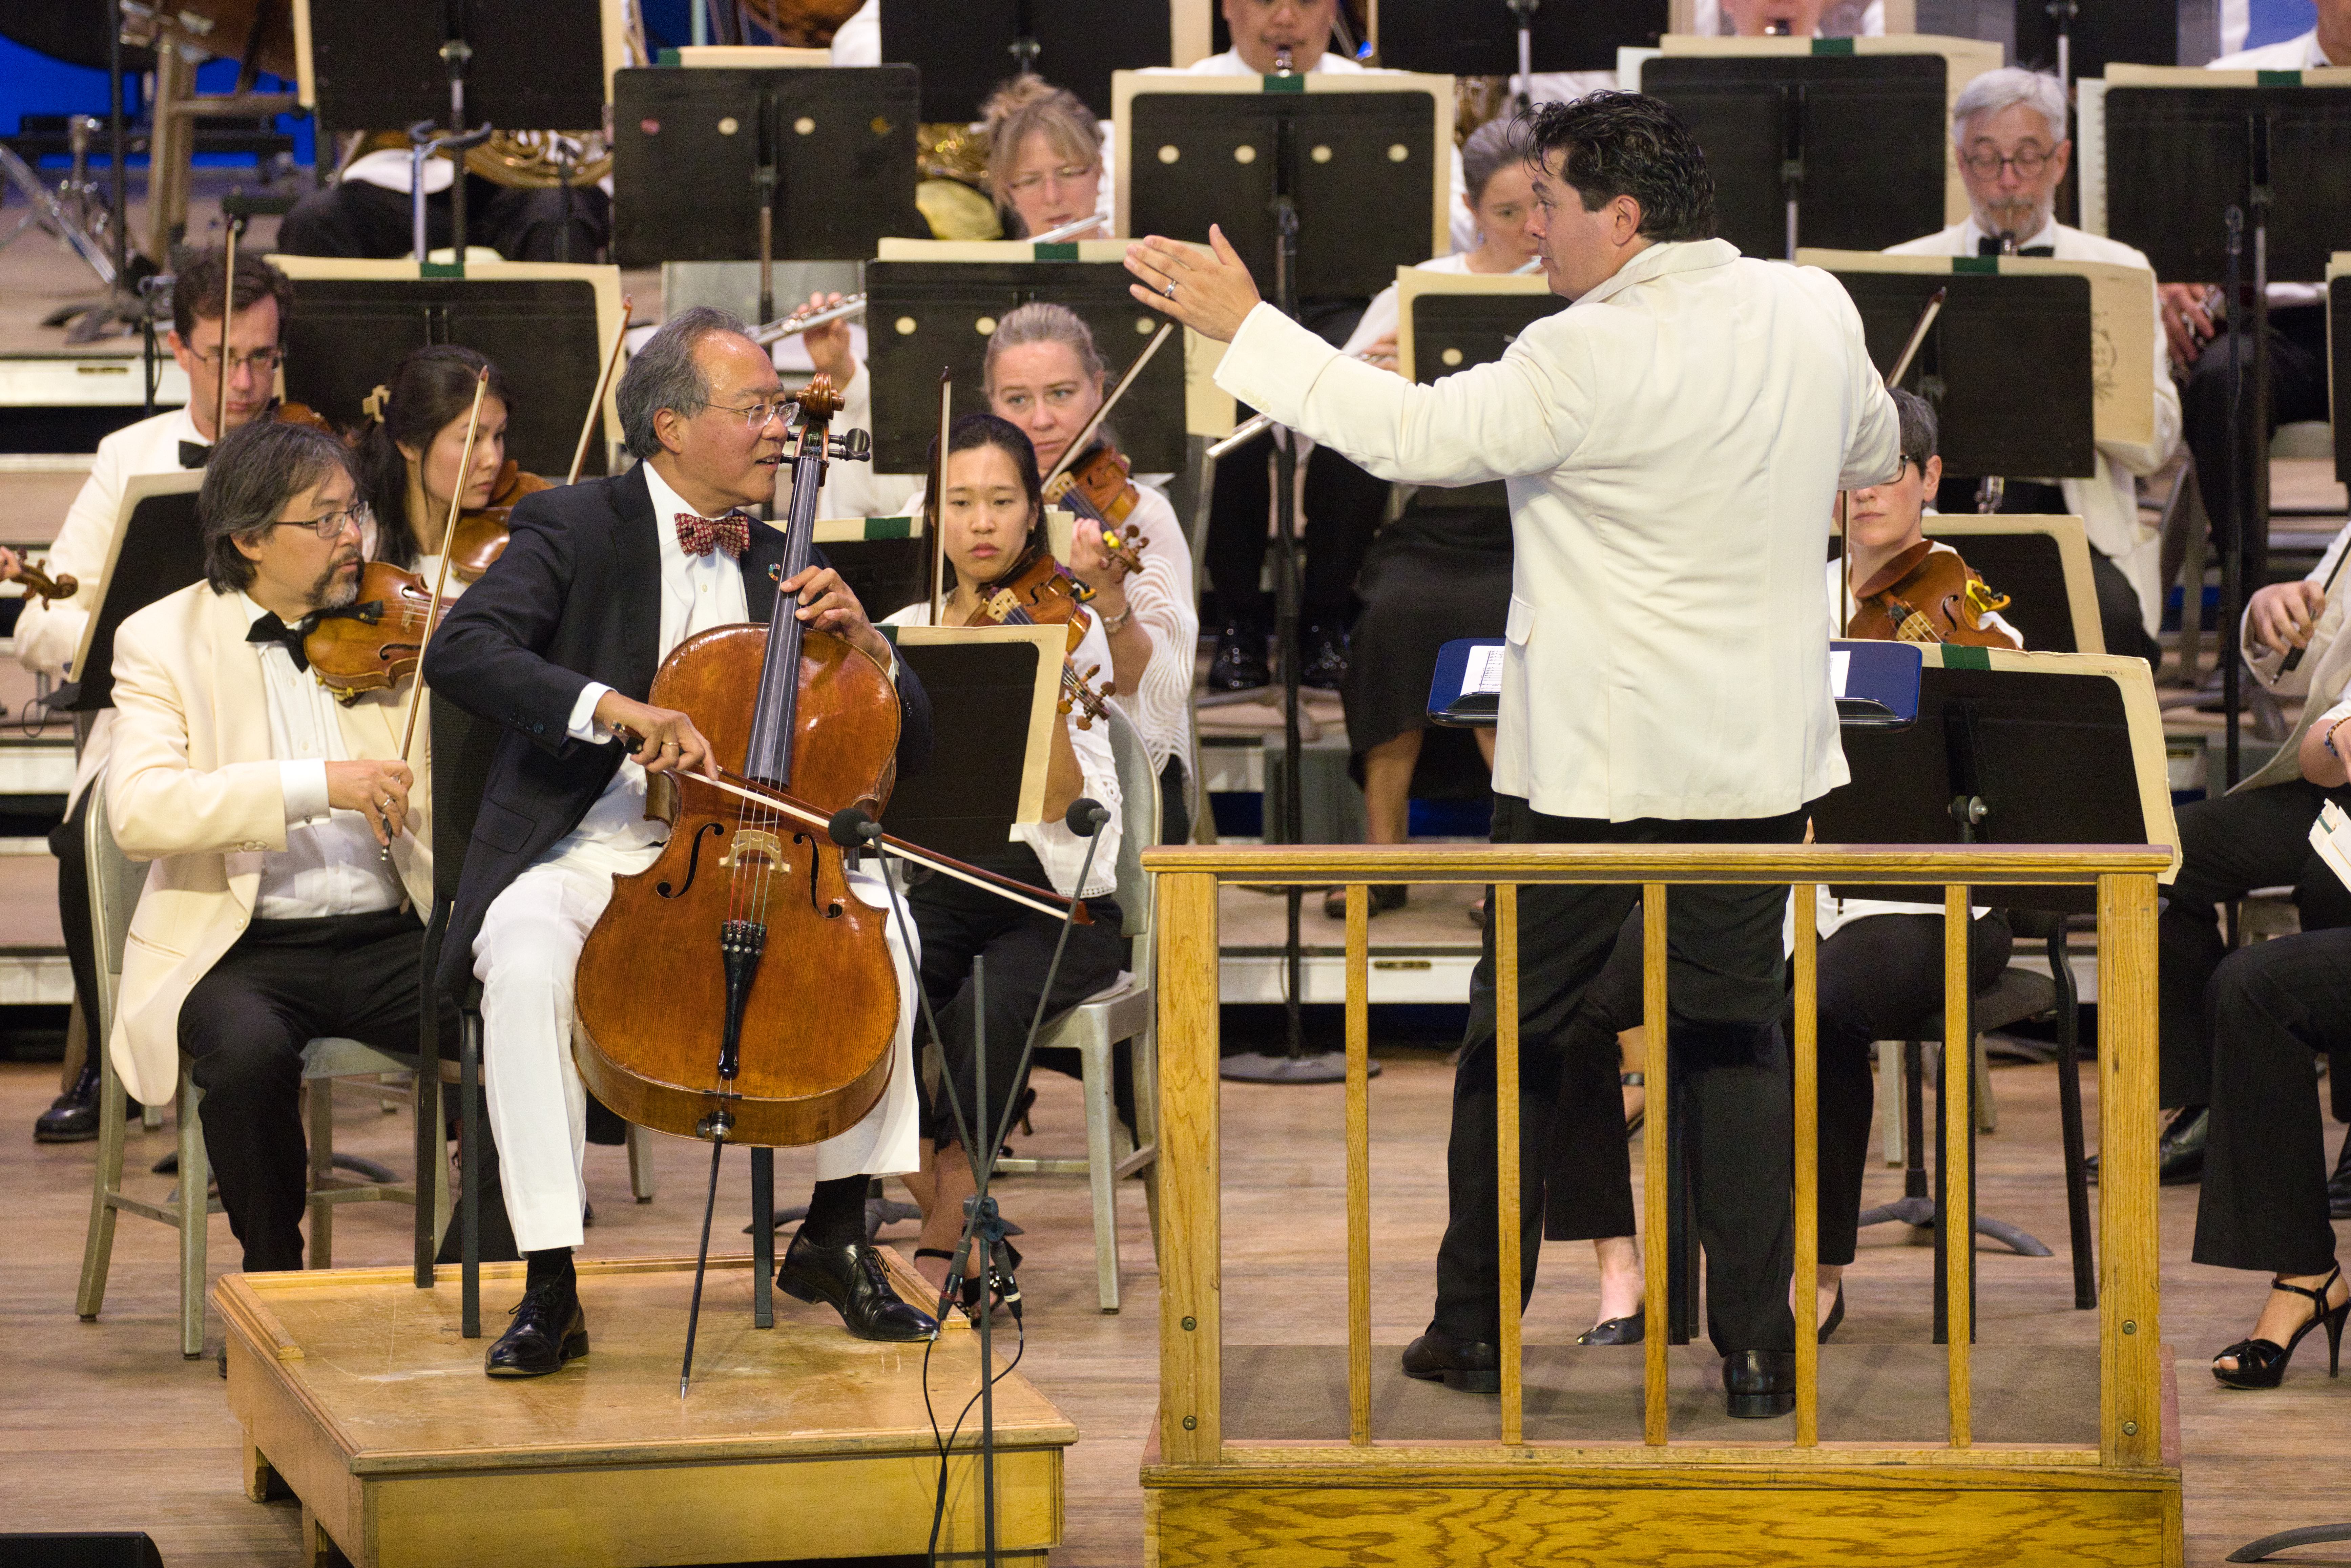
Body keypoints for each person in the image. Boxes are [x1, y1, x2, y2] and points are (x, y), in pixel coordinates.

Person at [1127, 90, 1899, 1417]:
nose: (1532, 230)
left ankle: (1475, 1326)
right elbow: (1875, 449)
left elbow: (1408, 438)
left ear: (1625, 217)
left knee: (1519, 1040)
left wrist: (1243, 328)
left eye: (1550, 206)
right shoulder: (1813, 305)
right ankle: (1759, 1348)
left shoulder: (1576, 350)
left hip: (1592, 772)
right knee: (1735, 1044)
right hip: (1756, 759)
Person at [422, 307, 940, 1378]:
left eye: (780, 409)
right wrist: (615, 709)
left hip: (759, 856)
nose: (779, 430)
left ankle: (839, 1231)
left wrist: (868, 643)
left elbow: (913, 738)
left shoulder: (788, 551)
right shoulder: (575, 525)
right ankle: (551, 1277)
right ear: (670, 425)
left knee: (892, 938)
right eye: (755, 409)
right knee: (521, 957)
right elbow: (463, 651)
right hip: (593, 846)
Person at [1546, 391, 2021, 1345]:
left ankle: (1822, 1267)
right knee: (1567, 998)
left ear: (1931, 479)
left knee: (1816, 1003)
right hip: (1776, 885)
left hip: (1926, 901)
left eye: (1891, 468)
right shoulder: (1777, 593)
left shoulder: (1965, 607)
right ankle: (1620, 1264)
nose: (1865, 491)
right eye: (1846, 470)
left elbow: (2002, 762)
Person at [100, 418, 432, 1273]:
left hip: (394, 934)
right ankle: (275, 1290)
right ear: (248, 538)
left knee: (515, 1005)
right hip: (241, 946)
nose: (353, 535)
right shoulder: (161, 641)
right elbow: (140, 810)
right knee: (247, 1056)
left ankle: (502, 1267)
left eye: (353, 510)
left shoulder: (395, 628)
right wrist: (320, 783)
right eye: (323, 520)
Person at [14, 246, 293, 1143]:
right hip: (157, 714)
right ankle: (110, 1058)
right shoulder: (127, 456)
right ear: (179, 347)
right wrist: (119, 627)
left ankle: (249, 1060)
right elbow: (40, 626)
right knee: (88, 832)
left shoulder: (314, 459)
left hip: (279, 718)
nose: (245, 381)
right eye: (223, 356)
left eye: (262, 357)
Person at [879, 414, 1130, 1299]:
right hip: (942, 891)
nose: (981, 522)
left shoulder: (1069, 628)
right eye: (960, 502)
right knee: (870, 988)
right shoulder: (900, 631)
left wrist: (1044, 693)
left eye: (1001, 502)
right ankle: (955, 1195)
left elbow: (1068, 806)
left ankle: (950, 1233)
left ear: (1034, 516)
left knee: (985, 1008)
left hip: (1063, 902)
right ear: (932, 513)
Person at [1884, 67, 2180, 666]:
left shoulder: (2118, 270)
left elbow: (2158, 445)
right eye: (1986, 161)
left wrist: (2061, 386)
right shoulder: (1904, 270)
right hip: (1933, 518)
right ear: (1961, 162)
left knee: (2112, 627)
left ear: (2062, 160)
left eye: (2027, 159)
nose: (2007, 183)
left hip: (2068, 524)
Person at [1326, 118, 1541, 919]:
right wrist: (1368, 379)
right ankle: (1383, 854)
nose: (1528, 229)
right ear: (1471, 208)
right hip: (1436, 525)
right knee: (1393, 615)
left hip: (1534, 527)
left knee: (1498, 621)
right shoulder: (1421, 287)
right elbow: (1334, 407)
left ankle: (1510, 864)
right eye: (1508, 211)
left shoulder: (1576, 288)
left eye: (1540, 207)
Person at [2128, 518, 2351, 1197]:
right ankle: (2199, 1101)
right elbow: (2306, 656)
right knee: (2157, 854)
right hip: (2332, 769)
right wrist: (2265, 617)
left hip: (2336, 767)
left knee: (2332, 878)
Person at [982, 302, 1199, 844]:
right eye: (1017, 400)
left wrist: (1110, 603)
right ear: (991, 405)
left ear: (1098, 388)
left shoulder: (1142, 517)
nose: (1041, 420)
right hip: (998, 766)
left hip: (1121, 773)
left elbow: (1154, 692)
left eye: (1061, 393)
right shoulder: (960, 514)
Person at [2166, 0, 2351, 595]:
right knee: (2223, 383)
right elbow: (2176, 217)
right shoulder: (2238, 82)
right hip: (2269, 323)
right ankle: (2246, 614)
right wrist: (2169, 273)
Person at [276, 133, 610, 263]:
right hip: (408, 171)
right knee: (315, 221)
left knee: (560, 218)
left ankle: (567, 395)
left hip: (530, 178)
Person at [353, 346, 522, 585]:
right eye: (472, 439)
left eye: (499, 435)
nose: (493, 459)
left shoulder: (509, 551)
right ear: (409, 443)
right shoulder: (361, 553)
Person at [982, 76, 1116, 242]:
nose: (1052, 197)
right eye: (1030, 181)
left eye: (1068, 173)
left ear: (1098, 171)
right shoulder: (994, 268)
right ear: (1007, 190)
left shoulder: (1135, 263)